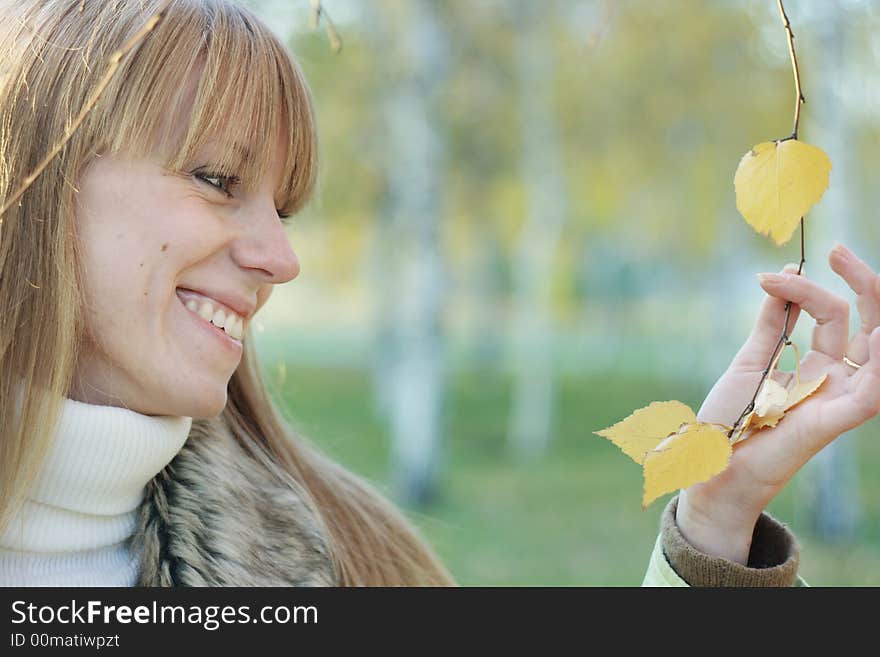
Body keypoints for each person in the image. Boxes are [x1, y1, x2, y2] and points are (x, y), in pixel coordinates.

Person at [0, 0, 877, 587]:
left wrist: (716, 516)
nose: (281, 257)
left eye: (286, 207)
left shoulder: (355, 560)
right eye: (218, 177)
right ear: (35, 184)